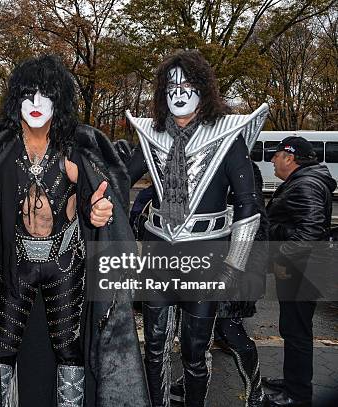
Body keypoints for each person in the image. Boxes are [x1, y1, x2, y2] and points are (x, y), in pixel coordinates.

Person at [0, 55, 149, 407]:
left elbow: (94, 201)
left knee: (69, 351)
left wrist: (99, 212)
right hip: (17, 266)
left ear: (59, 100)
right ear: (17, 101)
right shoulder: (5, 149)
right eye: (28, 95)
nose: (36, 104)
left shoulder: (73, 150)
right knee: (3, 349)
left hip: (65, 265)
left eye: (45, 95)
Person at [125, 49, 268, 407]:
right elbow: (116, 177)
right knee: (154, 348)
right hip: (158, 252)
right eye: (170, 86)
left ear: (203, 89)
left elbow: (248, 206)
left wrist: (235, 265)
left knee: (194, 351)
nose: (178, 93)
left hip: (207, 255)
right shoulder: (152, 137)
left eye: (187, 84)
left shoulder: (226, 138)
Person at [170, 161, 269, 407]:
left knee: (228, 329)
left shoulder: (239, 166)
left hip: (236, 266)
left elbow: (250, 223)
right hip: (205, 263)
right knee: (199, 331)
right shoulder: (204, 163)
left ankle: (256, 395)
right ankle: (189, 382)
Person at [262, 136, 336, 407]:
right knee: (293, 329)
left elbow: (311, 231)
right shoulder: (305, 180)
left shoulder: (305, 184)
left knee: (296, 332)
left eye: (276, 155)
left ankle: (297, 395)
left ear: (289, 158)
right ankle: (293, 382)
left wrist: (281, 257)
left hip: (301, 270)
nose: (272, 160)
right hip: (303, 268)